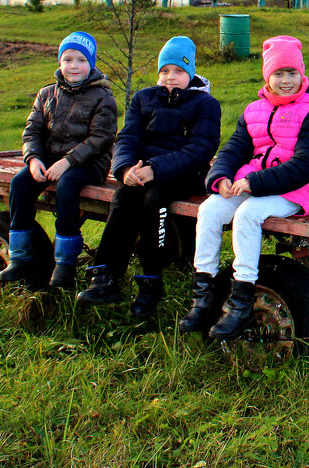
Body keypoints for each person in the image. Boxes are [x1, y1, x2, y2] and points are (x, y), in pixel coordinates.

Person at [178, 35, 309, 340]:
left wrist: (255, 183)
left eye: (292, 73)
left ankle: (241, 300)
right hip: (256, 182)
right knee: (210, 209)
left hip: (296, 189)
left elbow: (307, 164)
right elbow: (234, 149)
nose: (285, 81)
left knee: (248, 214)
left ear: (302, 73)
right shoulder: (254, 110)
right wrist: (220, 176)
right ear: (267, 76)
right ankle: (203, 294)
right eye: (278, 74)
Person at [77, 36, 221, 318]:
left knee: (154, 200)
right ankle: (106, 276)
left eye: (179, 71)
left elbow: (199, 149)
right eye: (165, 71)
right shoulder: (144, 98)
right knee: (123, 197)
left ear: (190, 73)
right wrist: (126, 169)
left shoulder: (204, 104)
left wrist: (155, 168)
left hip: (184, 173)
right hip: (141, 171)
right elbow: (128, 136)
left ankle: (150, 282)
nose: (171, 77)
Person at [1, 31, 118, 289]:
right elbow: (32, 131)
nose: (73, 66)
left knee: (67, 187)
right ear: (59, 62)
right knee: (20, 184)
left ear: (91, 63)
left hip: (88, 163)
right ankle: (20, 256)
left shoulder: (102, 97)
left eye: (80, 60)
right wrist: (33, 159)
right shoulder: (47, 94)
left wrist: (68, 162)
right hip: (50, 159)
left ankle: (64, 263)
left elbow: (102, 138)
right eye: (67, 59)